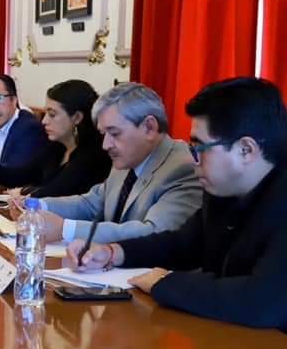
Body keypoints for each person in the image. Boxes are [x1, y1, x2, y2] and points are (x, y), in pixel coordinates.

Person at [69, 77, 287, 329]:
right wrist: (113, 252)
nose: (193, 160)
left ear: (246, 149)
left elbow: (262, 302)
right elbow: (182, 244)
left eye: (199, 148)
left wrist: (165, 282)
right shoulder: (222, 191)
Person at [34, 82, 202, 244]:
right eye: (103, 134)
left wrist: (65, 229)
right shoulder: (127, 159)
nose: (106, 145)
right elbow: (91, 204)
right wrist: (36, 205)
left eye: (115, 134)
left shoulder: (184, 168)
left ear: (149, 127)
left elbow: (153, 233)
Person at [0, 79, 110, 198]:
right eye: (46, 113)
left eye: (52, 114)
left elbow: (57, 191)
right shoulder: (56, 147)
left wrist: (25, 192)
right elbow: (20, 175)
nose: (44, 121)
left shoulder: (93, 154)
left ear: (77, 117)